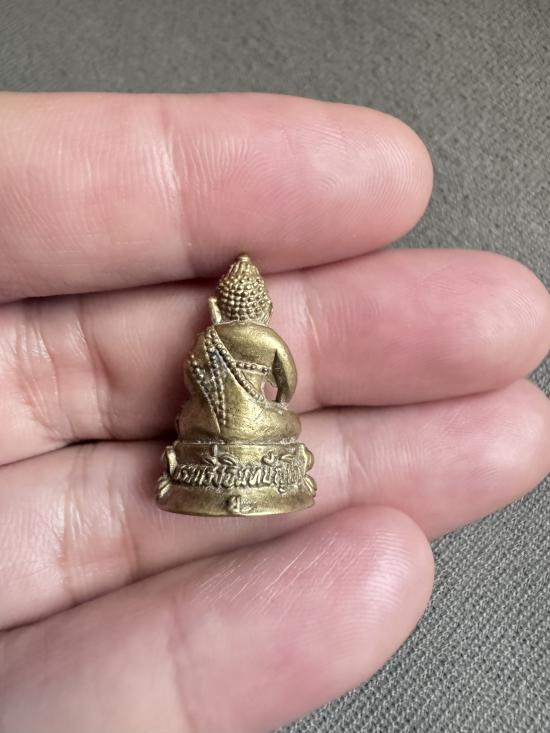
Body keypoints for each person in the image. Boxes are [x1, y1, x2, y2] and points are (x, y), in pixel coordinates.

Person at [0, 92, 548, 733]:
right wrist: (269, 404)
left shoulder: (212, 339)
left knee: (210, 427)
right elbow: (285, 386)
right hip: (257, 433)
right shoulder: (262, 339)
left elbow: (194, 381)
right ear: (255, 307)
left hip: (207, 435)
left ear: (225, 307)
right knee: (279, 426)